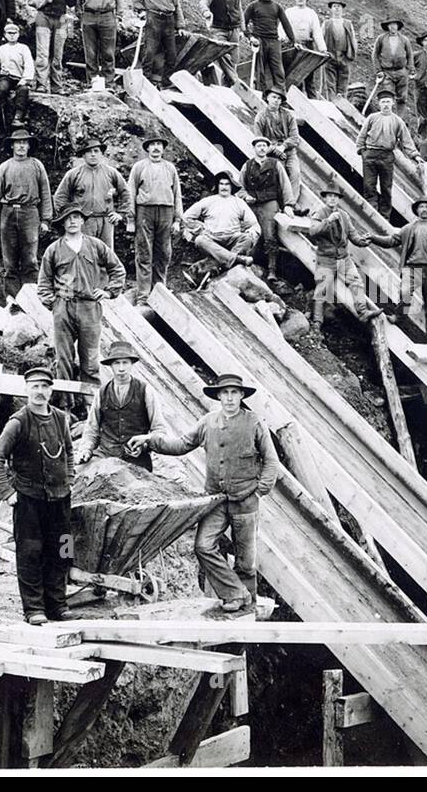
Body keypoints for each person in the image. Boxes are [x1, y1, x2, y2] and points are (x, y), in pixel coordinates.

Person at [145, 373, 278, 613]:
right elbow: (181, 445)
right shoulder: (208, 422)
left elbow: (271, 461)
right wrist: (150, 441)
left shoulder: (255, 423)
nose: (229, 398)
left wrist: (260, 490)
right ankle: (235, 594)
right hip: (215, 500)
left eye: (234, 393)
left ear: (241, 396)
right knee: (203, 546)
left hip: (246, 501)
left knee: (246, 562)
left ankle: (247, 609)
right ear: (218, 396)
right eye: (224, 393)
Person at [0, 365, 75, 625]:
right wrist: (7, 492)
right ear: (26, 390)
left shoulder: (60, 418)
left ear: (51, 390)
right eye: (34, 386)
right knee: (30, 552)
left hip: (60, 499)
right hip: (28, 500)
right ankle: (34, 608)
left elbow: (68, 451)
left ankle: (58, 605)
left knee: (63, 549)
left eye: (44, 386)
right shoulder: (18, 422)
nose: (39, 391)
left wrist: (69, 480)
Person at [37, 205, 126, 418]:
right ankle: (64, 409)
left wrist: (108, 292)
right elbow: (43, 283)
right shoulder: (54, 250)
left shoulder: (96, 246)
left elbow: (118, 269)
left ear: (82, 221)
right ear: (63, 224)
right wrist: (55, 304)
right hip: (64, 309)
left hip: (89, 307)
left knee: (91, 360)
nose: (73, 221)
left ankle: (91, 407)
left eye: (76, 217)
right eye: (68, 219)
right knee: (64, 360)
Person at [365, 198, 427, 348]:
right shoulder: (409, 228)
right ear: (417, 210)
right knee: (405, 293)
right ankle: (398, 316)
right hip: (411, 268)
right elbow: (391, 241)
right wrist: (373, 238)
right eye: (421, 207)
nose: (424, 210)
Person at [293, 185, 383, 333]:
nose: (332, 199)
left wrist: (362, 241)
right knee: (322, 289)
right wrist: (328, 221)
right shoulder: (319, 214)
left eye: (335, 196)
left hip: (343, 258)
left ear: (339, 199)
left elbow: (353, 235)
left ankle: (362, 312)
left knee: (356, 282)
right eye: (329, 196)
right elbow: (313, 231)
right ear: (325, 198)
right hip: (326, 259)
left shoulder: (344, 216)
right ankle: (317, 322)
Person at [75, 342, 167, 465]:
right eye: (117, 363)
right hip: (105, 456)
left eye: (125, 362)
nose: (121, 368)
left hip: (137, 459)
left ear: (131, 364)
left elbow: (159, 430)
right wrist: (86, 450)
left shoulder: (145, 390)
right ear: (111, 366)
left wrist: (144, 445)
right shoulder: (102, 393)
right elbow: (92, 429)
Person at [0, 128, 54, 297]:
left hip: (30, 213)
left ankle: (31, 299)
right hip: (8, 213)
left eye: (24, 142)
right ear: (12, 145)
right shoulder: (5, 167)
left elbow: (46, 193)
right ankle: (13, 300)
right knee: (9, 262)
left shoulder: (36, 165)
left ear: (29, 146)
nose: (21, 146)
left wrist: (46, 220)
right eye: (18, 142)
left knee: (30, 260)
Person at [127, 135, 183, 302]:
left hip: (166, 211)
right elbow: (130, 192)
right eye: (152, 145)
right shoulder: (139, 167)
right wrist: (130, 219)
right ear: (148, 148)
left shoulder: (170, 168)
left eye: (159, 144)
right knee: (144, 252)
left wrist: (178, 220)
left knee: (164, 252)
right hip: (145, 212)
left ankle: (160, 290)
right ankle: (143, 295)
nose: (156, 148)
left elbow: (177, 195)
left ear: (163, 148)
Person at [52, 138, 133, 249]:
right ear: (83, 155)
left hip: (106, 221)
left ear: (101, 154)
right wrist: (70, 217)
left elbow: (126, 193)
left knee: (106, 255)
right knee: (83, 254)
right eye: (89, 152)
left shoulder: (111, 173)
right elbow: (60, 197)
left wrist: (121, 214)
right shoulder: (74, 174)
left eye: (96, 151)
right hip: (84, 222)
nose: (93, 154)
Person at [353, 90, 418, 218]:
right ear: (379, 103)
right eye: (383, 102)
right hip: (370, 155)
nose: (386, 104)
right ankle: (371, 215)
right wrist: (361, 150)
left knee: (386, 188)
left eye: (388, 101)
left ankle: (384, 217)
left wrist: (415, 155)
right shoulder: (372, 118)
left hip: (387, 156)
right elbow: (362, 135)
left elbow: (406, 141)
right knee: (369, 186)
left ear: (393, 103)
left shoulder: (398, 121)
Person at [240, 136, 295, 279]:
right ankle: (241, 261)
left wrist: (288, 205)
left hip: (269, 202)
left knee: (270, 234)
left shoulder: (275, 164)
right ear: (254, 148)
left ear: (268, 148)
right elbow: (240, 187)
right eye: (259, 146)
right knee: (247, 232)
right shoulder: (247, 165)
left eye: (265, 145)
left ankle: (272, 270)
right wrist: (245, 196)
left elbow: (285, 185)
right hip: (252, 204)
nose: (262, 148)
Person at [182, 171, 261, 271]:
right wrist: (200, 228)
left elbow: (254, 224)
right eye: (221, 184)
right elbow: (186, 217)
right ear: (217, 186)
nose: (224, 187)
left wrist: (251, 233)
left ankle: (223, 262)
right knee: (200, 240)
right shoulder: (208, 201)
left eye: (227, 184)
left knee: (247, 238)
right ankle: (235, 259)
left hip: (232, 238)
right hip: (212, 238)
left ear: (232, 186)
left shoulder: (239, 202)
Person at [26, 0, 77, 94]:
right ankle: (41, 84)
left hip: (61, 19)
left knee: (58, 54)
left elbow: (73, 2)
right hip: (44, 18)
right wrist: (45, 0)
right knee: (42, 53)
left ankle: (57, 86)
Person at [75, 0, 124, 88]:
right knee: (90, 52)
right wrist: (80, 15)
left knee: (108, 52)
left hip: (108, 16)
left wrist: (119, 16)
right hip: (89, 16)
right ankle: (93, 82)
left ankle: (108, 83)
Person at [133, 0, 185, 88]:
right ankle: (145, 81)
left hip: (168, 20)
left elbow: (177, 6)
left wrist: (180, 26)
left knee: (172, 54)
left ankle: (164, 82)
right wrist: (142, 11)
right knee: (150, 51)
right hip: (153, 18)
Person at [243, 0, 296, 92]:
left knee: (278, 70)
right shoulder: (252, 6)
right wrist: (250, 37)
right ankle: (261, 95)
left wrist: (293, 40)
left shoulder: (277, 7)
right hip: (259, 41)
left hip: (274, 42)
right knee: (260, 70)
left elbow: (286, 24)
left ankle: (281, 95)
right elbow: (243, 24)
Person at [0, 20, 34, 131]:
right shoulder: (2, 49)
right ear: (5, 35)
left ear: (18, 34)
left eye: (14, 33)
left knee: (23, 90)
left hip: (19, 77)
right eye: (9, 33)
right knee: (2, 89)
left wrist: (25, 79)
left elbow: (29, 64)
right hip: (6, 77)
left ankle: (18, 117)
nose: (12, 36)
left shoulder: (23, 48)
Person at [254, 88, 303, 201]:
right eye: (273, 97)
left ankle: (292, 203)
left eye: (279, 98)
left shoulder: (288, 115)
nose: (276, 100)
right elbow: (259, 141)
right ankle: (284, 203)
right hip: (272, 154)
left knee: (295, 173)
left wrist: (283, 146)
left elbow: (295, 138)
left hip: (289, 151)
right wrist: (275, 150)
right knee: (281, 175)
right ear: (267, 98)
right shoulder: (260, 117)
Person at [199, 0, 243, 86]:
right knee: (222, 53)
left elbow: (240, 11)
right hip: (218, 29)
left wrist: (243, 30)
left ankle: (227, 87)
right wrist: (206, 12)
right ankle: (236, 81)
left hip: (234, 29)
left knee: (234, 59)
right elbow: (203, 3)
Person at [285, 0, 326, 96]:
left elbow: (317, 32)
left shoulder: (311, 13)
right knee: (293, 74)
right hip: (292, 47)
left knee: (309, 74)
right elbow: (282, 28)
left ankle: (312, 100)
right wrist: (287, 41)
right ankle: (292, 99)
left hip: (307, 46)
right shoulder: (289, 12)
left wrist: (323, 49)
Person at [372, 19, 412, 115]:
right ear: (387, 27)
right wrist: (378, 70)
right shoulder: (381, 39)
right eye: (390, 25)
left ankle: (399, 118)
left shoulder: (404, 39)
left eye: (395, 25)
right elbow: (375, 55)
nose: (393, 27)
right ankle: (388, 116)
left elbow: (410, 55)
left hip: (401, 72)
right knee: (388, 96)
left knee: (402, 97)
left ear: (398, 26)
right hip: (387, 72)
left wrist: (409, 69)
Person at [321, 0, 357, 97]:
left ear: (342, 9)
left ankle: (342, 105)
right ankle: (332, 105)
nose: (336, 9)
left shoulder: (348, 23)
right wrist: (322, 53)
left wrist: (351, 54)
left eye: (339, 7)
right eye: (334, 6)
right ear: (331, 9)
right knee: (330, 83)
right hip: (330, 56)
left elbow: (353, 39)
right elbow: (321, 38)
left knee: (343, 83)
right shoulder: (326, 23)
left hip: (344, 56)